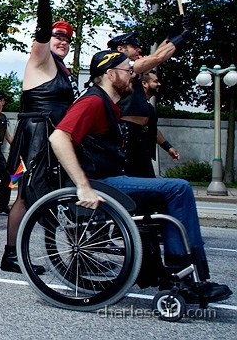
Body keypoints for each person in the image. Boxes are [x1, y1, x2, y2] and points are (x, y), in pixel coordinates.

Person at [49, 50, 232, 304]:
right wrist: (83, 186)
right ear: (110, 74)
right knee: (179, 188)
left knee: (171, 194)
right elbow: (58, 137)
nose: (133, 75)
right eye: (128, 70)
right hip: (102, 182)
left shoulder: (109, 104)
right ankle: (182, 276)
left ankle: (179, 273)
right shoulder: (92, 102)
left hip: (112, 178)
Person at [0, 0, 76, 273]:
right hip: (34, 136)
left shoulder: (63, 70)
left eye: (67, 38)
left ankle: (61, 252)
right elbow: (42, 32)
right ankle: (11, 255)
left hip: (53, 136)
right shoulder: (40, 59)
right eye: (59, 35)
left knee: (51, 192)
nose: (62, 40)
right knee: (26, 193)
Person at [106, 31, 185, 177]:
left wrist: (172, 34)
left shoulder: (132, 69)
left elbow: (156, 57)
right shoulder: (121, 66)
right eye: (134, 46)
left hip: (138, 134)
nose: (139, 50)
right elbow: (157, 57)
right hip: (126, 133)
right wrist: (180, 36)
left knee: (146, 181)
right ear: (120, 49)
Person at [124, 70, 181, 177]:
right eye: (155, 81)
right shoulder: (133, 104)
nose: (159, 84)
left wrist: (168, 147)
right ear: (144, 84)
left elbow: (152, 129)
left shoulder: (148, 107)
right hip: (132, 158)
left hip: (143, 157)